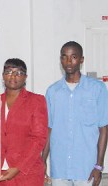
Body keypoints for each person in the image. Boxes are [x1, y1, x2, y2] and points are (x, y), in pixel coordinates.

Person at [42, 41, 108, 186]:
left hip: (87, 168)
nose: (68, 62)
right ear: (60, 60)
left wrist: (99, 165)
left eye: (73, 57)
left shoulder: (97, 88)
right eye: (64, 57)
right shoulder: (53, 92)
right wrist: (42, 161)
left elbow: (103, 128)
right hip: (60, 168)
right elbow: (49, 129)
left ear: (81, 60)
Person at [0, 58, 48, 186]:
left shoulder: (36, 101)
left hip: (26, 173)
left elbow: (39, 138)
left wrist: (18, 167)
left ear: (25, 77)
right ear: (3, 76)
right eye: (9, 71)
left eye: (19, 73)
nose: (13, 76)